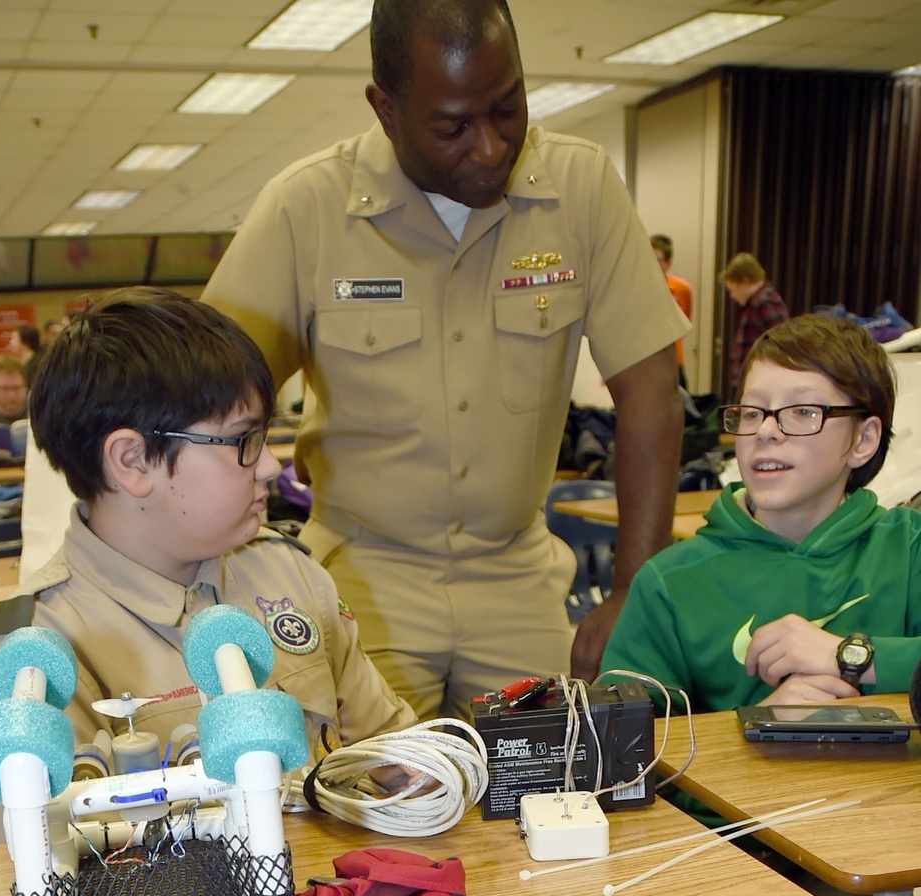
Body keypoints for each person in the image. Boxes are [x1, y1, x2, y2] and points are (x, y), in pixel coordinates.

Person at [202, 0, 688, 717]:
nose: (490, 147)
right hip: (363, 576)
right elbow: (204, 404)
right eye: (453, 126)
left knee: (555, 793)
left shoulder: (579, 190)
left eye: (508, 108)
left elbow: (652, 393)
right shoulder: (306, 209)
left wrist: (630, 587)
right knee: (375, 799)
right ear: (386, 109)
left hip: (515, 568)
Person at [0, 287, 417, 767]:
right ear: (133, 460)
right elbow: (46, 838)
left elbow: (404, 759)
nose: (269, 466)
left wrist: (415, 775)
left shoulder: (289, 574)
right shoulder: (35, 656)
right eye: (244, 440)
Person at [600, 314, 920, 713]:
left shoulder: (910, 548)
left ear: (863, 439)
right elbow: (625, 753)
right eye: (752, 413)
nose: (766, 431)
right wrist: (757, 723)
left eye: (803, 411)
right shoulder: (669, 584)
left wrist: (852, 658)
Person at [720, 252, 789, 392]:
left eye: (732, 289)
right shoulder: (760, 301)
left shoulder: (764, 302)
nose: (732, 295)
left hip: (763, 381)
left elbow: (779, 344)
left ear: (745, 281)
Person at [651, 234, 692, 388]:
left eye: (657, 260)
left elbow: (685, 321)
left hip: (673, 361)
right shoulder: (638, 289)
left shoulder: (681, 289)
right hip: (645, 363)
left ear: (668, 263)